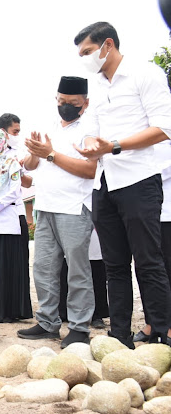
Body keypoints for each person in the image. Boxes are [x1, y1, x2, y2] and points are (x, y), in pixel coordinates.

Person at [73, 22, 171, 346]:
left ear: (108, 45)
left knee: (148, 261)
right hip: (105, 183)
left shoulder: (146, 75)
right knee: (114, 265)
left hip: (139, 179)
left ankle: (162, 332)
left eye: (87, 52)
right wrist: (89, 143)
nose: (85, 59)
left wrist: (113, 145)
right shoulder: (96, 86)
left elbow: (163, 127)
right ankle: (119, 335)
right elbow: (90, 128)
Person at [18, 76, 97, 348]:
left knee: (77, 270)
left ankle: (79, 327)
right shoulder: (49, 126)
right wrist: (34, 152)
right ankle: (48, 322)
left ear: (85, 103)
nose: (66, 106)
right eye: (62, 101)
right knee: (43, 268)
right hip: (45, 205)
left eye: (73, 103)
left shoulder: (89, 128)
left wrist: (50, 154)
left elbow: (90, 170)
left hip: (74, 208)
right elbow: (31, 166)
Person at [0, 128, 32, 323]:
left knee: (8, 266)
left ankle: (11, 311)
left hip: (7, 217)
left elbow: (16, 190)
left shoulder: (11, 161)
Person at [132, 140, 171, 343]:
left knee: (165, 269)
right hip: (144, 212)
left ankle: (168, 326)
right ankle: (150, 322)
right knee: (144, 267)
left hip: (167, 213)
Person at [58, 228, 110, 329]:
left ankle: (96, 314)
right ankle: (64, 311)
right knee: (68, 269)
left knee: (96, 272)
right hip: (71, 226)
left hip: (93, 228)